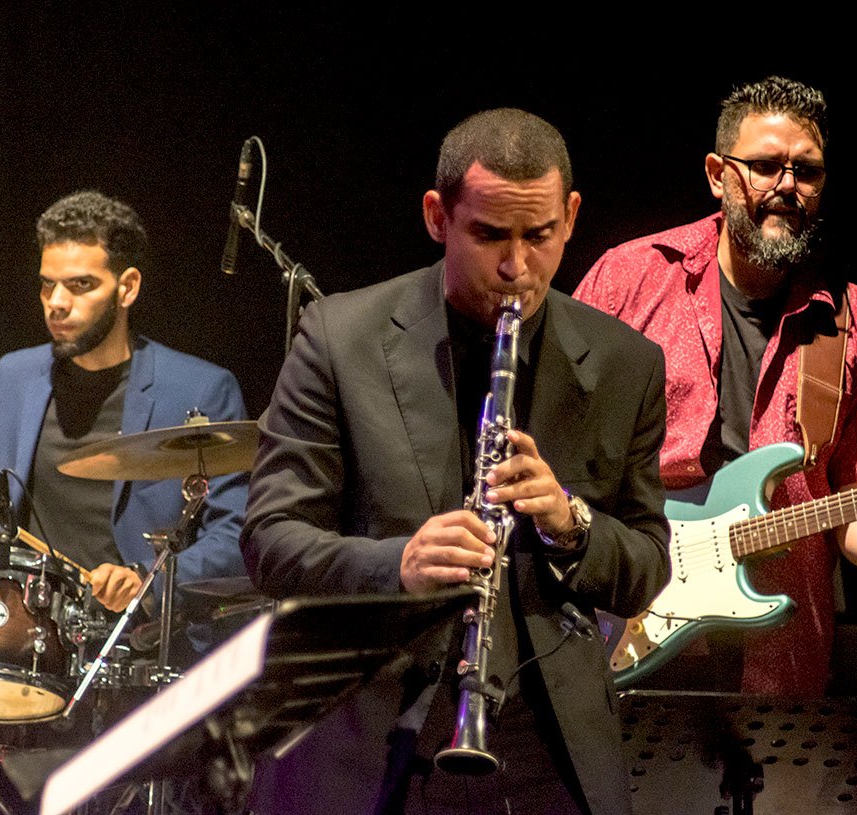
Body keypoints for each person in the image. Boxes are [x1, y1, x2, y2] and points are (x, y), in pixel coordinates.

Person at [242, 108, 670, 815]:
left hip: (544, 752)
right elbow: (270, 540)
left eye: (539, 236)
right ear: (438, 217)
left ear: (570, 216)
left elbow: (648, 559)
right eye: (489, 235)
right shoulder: (339, 337)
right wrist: (397, 562)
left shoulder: (627, 362)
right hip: (365, 738)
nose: (516, 266)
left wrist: (570, 523)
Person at [0, 190, 251, 811]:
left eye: (79, 285)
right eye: (47, 285)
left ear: (127, 287)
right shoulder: (14, 377)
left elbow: (234, 538)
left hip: (128, 656)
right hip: (21, 647)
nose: (57, 303)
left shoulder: (200, 388)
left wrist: (146, 584)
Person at [574, 76, 857, 697]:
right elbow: (551, 448)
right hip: (616, 640)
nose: (787, 187)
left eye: (808, 172)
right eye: (765, 167)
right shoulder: (627, 280)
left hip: (780, 668)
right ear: (718, 174)